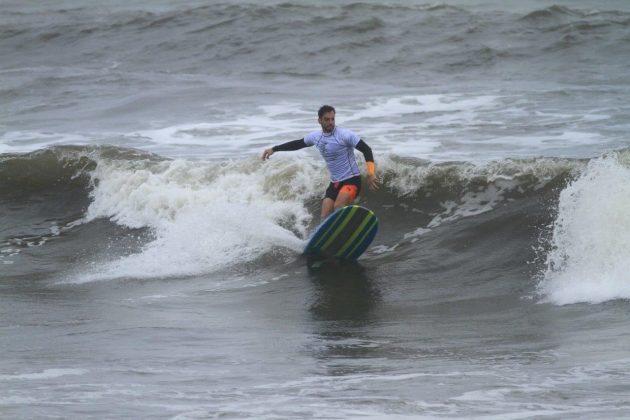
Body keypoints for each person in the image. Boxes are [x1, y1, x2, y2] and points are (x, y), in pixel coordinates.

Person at [262, 105, 380, 220]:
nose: (331, 122)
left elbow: (366, 149)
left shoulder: (345, 135)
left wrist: (371, 173)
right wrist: (274, 149)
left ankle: (353, 226)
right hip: (335, 182)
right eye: (327, 119)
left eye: (332, 119)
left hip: (351, 179)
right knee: (325, 217)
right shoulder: (316, 137)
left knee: (339, 207)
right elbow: (297, 144)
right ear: (319, 121)